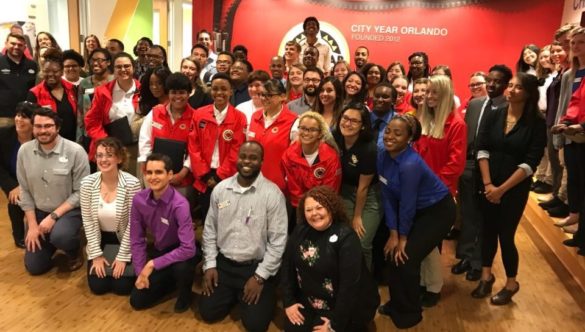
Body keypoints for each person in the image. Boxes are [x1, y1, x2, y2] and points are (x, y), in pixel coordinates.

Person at [472, 72, 546, 305]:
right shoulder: (495, 115)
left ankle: (511, 283)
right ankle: (486, 276)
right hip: (488, 183)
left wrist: (501, 189)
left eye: (518, 87)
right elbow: (481, 149)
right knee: (487, 231)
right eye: (510, 86)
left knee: (506, 236)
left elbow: (530, 162)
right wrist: (488, 184)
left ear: (529, 93)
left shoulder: (537, 122)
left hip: (513, 189)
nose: (511, 90)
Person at [377, 114, 455, 329]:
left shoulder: (410, 164)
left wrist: (403, 238)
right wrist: (393, 233)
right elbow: (388, 196)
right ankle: (397, 304)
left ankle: (410, 312)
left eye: (398, 133)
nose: (390, 136)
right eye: (388, 131)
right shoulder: (383, 155)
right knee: (393, 255)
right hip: (414, 210)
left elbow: (408, 204)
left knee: (406, 258)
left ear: (409, 139)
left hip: (438, 211)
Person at [199, 142, 288, 332]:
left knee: (256, 326)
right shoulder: (220, 190)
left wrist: (260, 277)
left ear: (261, 161)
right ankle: (235, 293)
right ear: (237, 158)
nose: (247, 161)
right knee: (208, 313)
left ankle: (253, 294)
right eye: (243, 156)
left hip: (255, 267)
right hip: (224, 265)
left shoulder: (273, 194)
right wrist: (210, 265)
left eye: (253, 157)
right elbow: (209, 231)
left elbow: (278, 242)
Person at [281, 186, 379, 332]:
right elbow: (287, 266)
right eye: (309, 210)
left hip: (340, 305)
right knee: (292, 328)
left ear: (331, 209)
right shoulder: (300, 230)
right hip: (309, 299)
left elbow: (349, 287)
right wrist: (289, 302)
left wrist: (335, 325)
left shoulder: (347, 237)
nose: (314, 213)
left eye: (319, 208)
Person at [453, 64, 512, 282]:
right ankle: (467, 256)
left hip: (493, 170)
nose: (492, 84)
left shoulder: (509, 108)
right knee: (468, 214)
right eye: (490, 80)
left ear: (506, 85)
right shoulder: (476, 104)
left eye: (497, 81)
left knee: (486, 219)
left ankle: (480, 262)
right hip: (469, 165)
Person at [413, 74, 467, 307]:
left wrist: (430, 187)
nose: (428, 96)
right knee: (422, 244)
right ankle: (424, 283)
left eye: (434, 92)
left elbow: (455, 165)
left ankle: (433, 287)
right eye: (427, 92)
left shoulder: (456, 125)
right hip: (416, 192)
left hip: (438, 194)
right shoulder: (423, 119)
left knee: (430, 244)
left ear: (445, 94)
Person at [17, 108, 90, 275]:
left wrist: (53, 217)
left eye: (48, 126)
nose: (43, 131)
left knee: (61, 236)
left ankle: (73, 250)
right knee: (35, 267)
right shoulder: (24, 152)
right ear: (33, 128)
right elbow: (25, 189)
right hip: (39, 213)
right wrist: (33, 225)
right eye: (38, 126)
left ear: (57, 128)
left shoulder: (76, 152)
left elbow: (81, 192)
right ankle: (50, 241)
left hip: (69, 212)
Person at [129, 153, 197, 312]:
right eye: (149, 172)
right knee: (137, 301)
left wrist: (152, 264)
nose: (153, 177)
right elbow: (137, 239)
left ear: (170, 175)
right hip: (160, 250)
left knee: (182, 269)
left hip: (182, 252)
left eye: (159, 172)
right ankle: (170, 281)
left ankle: (185, 293)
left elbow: (188, 248)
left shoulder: (180, 204)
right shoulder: (138, 200)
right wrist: (141, 272)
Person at [81, 137, 140, 295]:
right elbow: (88, 222)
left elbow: (134, 225)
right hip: (100, 238)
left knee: (123, 288)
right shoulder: (86, 183)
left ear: (119, 158)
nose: (103, 160)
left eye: (109, 155)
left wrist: (122, 257)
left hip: (124, 239)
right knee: (98, 287)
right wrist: (96, 255)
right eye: (99, 155)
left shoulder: (132, 184)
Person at [188, 73, 247, 221]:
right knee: (206, 218)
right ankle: (207, 245)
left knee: (227, 218)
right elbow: (193, 146)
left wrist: (219, 176)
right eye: (215, 89)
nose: (219, 93)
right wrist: (205, 175)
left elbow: (237, 149)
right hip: (203, 178)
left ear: (231, 91)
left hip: (227, 178)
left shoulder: (239, 117)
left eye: (224, 89)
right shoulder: (199, 114)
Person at [332, 103, 380, 269]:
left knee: (362, 242)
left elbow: (363, 188)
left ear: (363, 125)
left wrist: (357, 216)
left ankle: (364, 283)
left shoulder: (369, 148)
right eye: (345, 118)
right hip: (344, 191)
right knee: (345, 238)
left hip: (368, 196)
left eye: (354, 121)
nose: (347, 123)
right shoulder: (335, 136)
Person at [281, 112, 342, 231]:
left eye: (312, 129)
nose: (306, 133)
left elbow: (330, 190)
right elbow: (294, 189)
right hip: (300, 208)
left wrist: (317, 211)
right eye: (303, 128)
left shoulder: (330, 157)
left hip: (324, 208)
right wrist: (307, 210)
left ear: (320, 133)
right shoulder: (289, 155)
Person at [138, 73, 194, 196]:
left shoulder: (195, 117)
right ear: (168, 93)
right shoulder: (155, 112)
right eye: (173, 92)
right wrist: (146, 168)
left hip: (182, 180)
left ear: (189, 93)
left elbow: (194, 150)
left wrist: (182, 174)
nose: (177, 96)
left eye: (182, 92)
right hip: (154, 176)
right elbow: (144, 141)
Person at [85, 52, 141, 175]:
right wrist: (106, 143)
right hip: (108, 146)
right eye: (118, 67)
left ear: (133, 67)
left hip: (135, 147)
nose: (123, 69)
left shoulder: (142, 90)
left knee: (132, 186)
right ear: (113, 69)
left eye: (127, 66)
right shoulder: (102, 92)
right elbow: (92, 121)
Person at [247, 79, 298, 191]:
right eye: (262, 95)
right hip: (252, 182)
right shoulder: (254, 117)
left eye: (269, 95)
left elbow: (295, 160)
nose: (264, 98)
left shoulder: (293, 121)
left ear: (282, 97)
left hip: (279, 187)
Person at [0, 102, 35, 248]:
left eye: (25, 117)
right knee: (15, 198)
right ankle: (19, 234)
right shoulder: (3, 135)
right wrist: (12, 186)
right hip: (12, 179)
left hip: (36, 180)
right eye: (18, 115)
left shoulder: (41, 137)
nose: (19, 119)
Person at [27, 48, 78, 142]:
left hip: (72, 143)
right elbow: (30, 124)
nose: (50, 74)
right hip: (47, 143)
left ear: (62, 71)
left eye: (55, 71)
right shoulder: (34, 93)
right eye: (46, 71)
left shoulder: (72, 89)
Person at [77, 48, 114, 151]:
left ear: (108, 62)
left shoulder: (115, 81)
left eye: (100, 60)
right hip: (90, 132)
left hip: (111, 131)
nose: (95, 63)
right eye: (92, 60)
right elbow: (80, 111)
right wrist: (79, 137)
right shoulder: (84, 83)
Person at [0, 33, 38, 128]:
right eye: (13, 43)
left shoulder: (32, 65)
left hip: (28, 116)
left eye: (20, 45)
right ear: (6, 44)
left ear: (25, 47)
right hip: (4, 117)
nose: (16, 47)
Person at [370, 82, 397, 150]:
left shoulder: (400, 122)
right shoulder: (363, 118)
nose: (380, 100)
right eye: (377, 96)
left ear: (393, 101)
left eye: (385, 97)